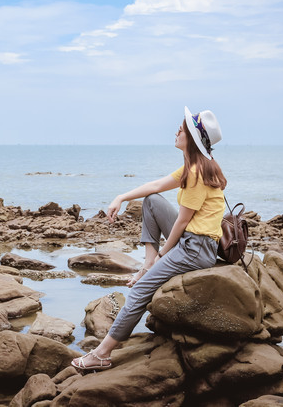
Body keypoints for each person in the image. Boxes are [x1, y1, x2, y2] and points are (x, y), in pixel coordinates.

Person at [71, 105, 227, 372]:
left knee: (141, 291)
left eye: (183, 128)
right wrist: (120, 197)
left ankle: (102, 354)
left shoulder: (197, 173)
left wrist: (164, 255)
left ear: (192, 138)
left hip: (195, 247)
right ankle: (147, 262)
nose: (178, 130)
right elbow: (154, 187)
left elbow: (182, 221)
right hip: (195, 241)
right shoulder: (194, 167)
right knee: (152, 201)